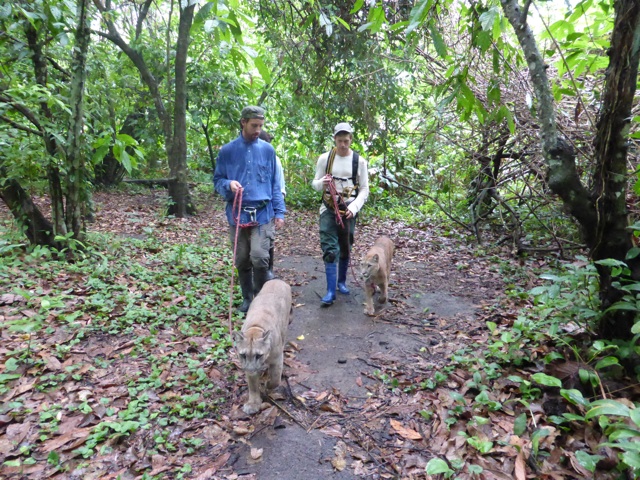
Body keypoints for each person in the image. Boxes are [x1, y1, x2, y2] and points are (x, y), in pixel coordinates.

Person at [214, 106, 286, 313]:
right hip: (238, 214)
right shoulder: (227, 151)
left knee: (260, 256)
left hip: (263, 212)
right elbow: (217, 180)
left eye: (261, 126)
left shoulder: (267, 150)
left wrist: (279, 212)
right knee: (242, 258)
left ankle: (262, 300)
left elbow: (275, 184)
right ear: (243, 122)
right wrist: (229, 185)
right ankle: (247, 299)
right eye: (254, 125)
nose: (257, 130)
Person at [311, 122, 369, 306]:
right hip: (328, 208)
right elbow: (315, 184)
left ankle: (341, 282)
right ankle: (330, 291)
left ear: (351, 140)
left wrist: (355, 207)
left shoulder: (359, 161)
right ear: (334, 139)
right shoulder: (325, 159)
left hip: (349, 209)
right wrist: (323, 183)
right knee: (329, 248)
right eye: (339, 140)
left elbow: (365, 189)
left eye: (346, 140)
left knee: (345, 246)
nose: (343, 145)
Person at [258, 130, 286, 280]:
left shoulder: (275, 160)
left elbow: (279, 186)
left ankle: (268, 269)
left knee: (268, 239)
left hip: (269, 205)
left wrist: (278, 210)